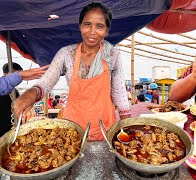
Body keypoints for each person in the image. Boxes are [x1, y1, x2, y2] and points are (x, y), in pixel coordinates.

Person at [14, 2, 131, 140]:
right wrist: (32, 93)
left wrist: (126, 128)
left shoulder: (113, 55)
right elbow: (46, 82)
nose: (92, 31)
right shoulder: (66, 54)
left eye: (99, 26)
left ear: (106, 30)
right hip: (73, 128)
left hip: (104, 128)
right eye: (87, 24)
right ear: (80, 26)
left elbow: (119, 93)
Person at [0, 63, 47, 137]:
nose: (20, 81)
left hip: (12, 127)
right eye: (15, 74)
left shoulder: (15, 92)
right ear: (6, 74)